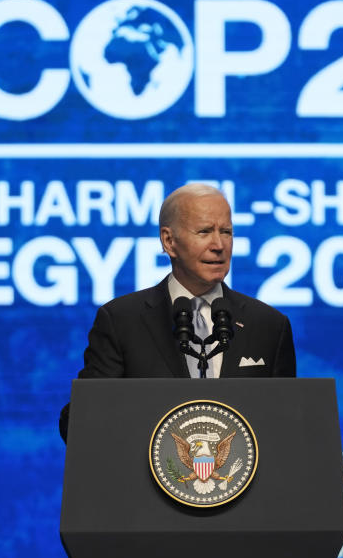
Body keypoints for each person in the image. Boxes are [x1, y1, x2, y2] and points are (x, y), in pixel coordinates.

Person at [59, 183, 296, 440]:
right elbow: (82, 421)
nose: (219, 244)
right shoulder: (121, 321)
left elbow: (287, 428)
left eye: (226, 232)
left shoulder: (268, 325)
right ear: (169, 241)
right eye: (204, 231)